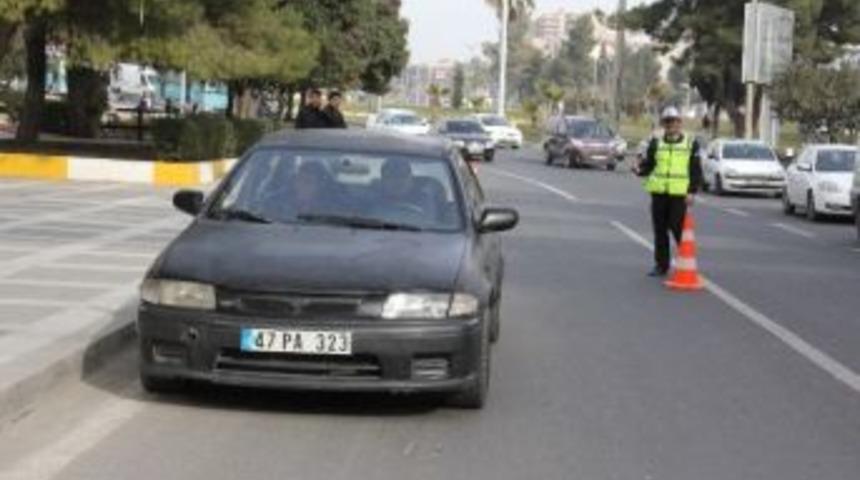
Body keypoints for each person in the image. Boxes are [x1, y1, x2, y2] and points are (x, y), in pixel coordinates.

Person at [635, 106, 703, 277]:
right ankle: (661, 265)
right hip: (658, 193)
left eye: (675, 121)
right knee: (659, 230)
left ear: (680, 123)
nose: (672, 124)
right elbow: (650, 165)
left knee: (677, 227)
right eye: (668, 121)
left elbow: (695, 170)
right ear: (664, 124)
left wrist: (691, 191)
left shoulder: (690, 143)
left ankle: (686, 262)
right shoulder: (656, 142)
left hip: (678, 195)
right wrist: (639, 169)